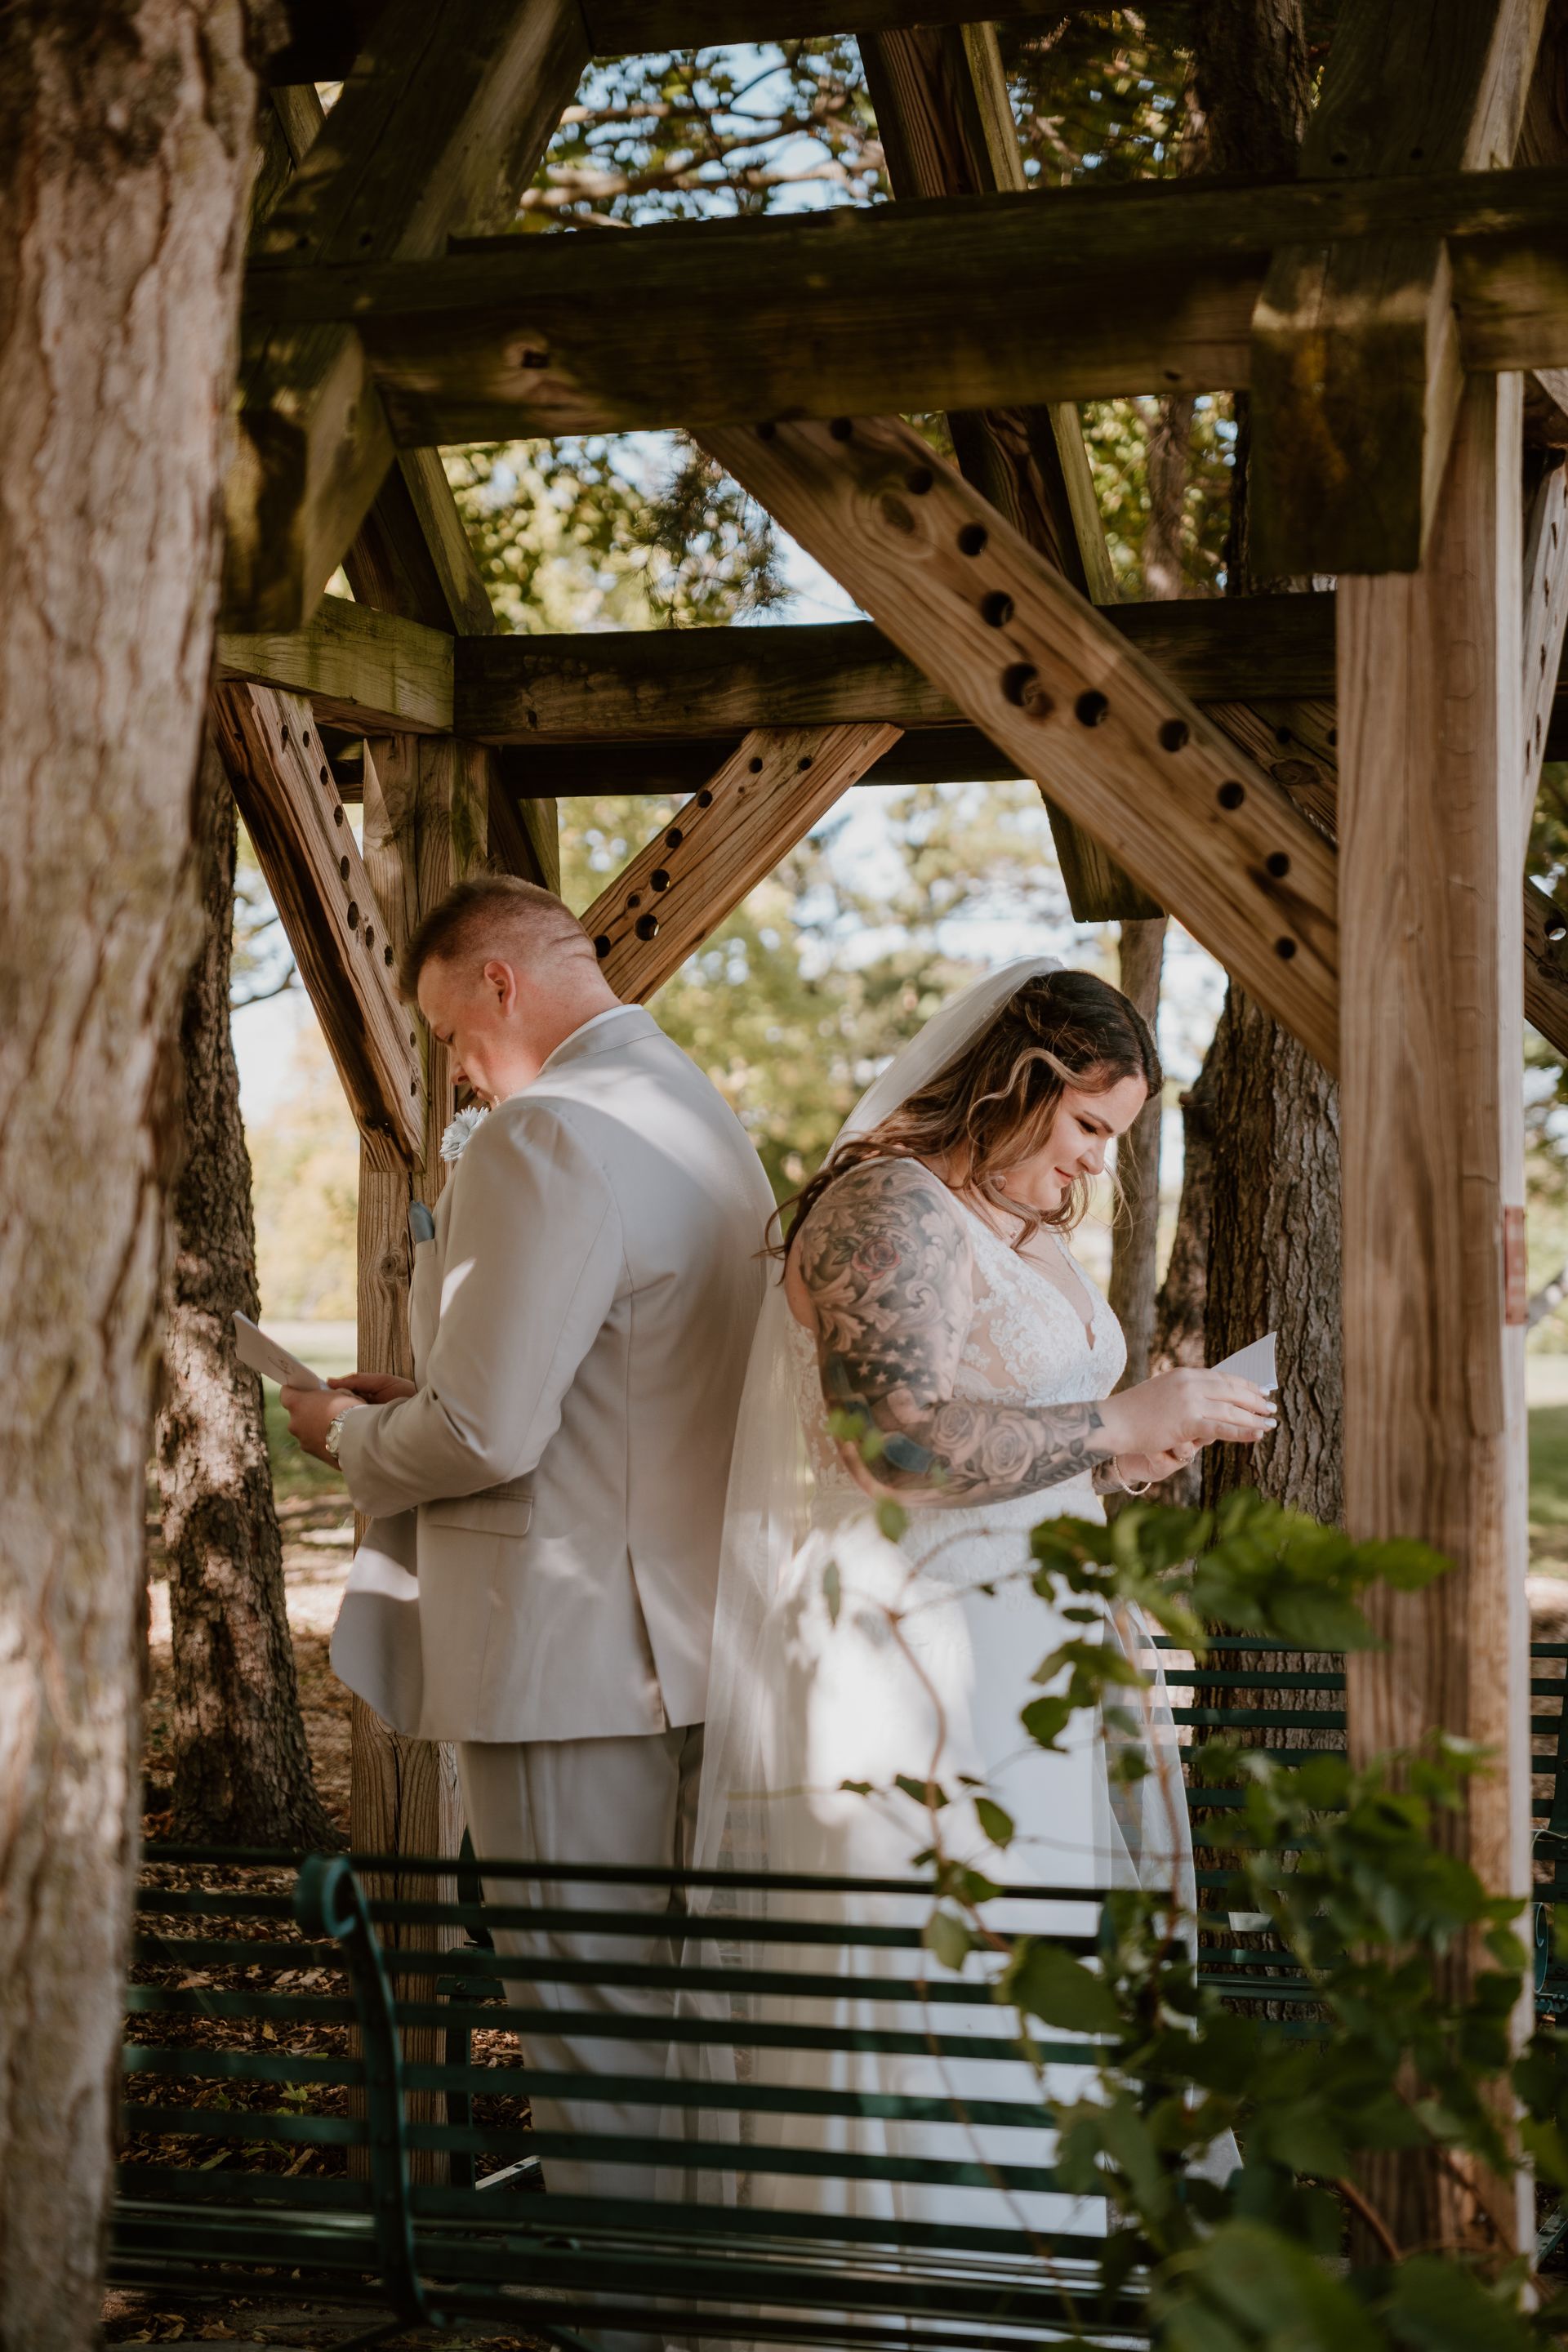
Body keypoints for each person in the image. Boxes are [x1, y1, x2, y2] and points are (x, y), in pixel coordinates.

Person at [692, 955, 1272, 2239]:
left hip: (1025, 1653)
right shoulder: (886, 1209)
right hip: (904, 1664)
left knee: (1041, 1973)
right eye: (1083, 1128)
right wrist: (1117, 1413)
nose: (1090, 1167)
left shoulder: (1008, 1226)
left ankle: (1036, 2273)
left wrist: (1120, 1453)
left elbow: (1017, 1435)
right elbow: (890, 1444)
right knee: (931, 1977)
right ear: (1016, 1081)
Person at [279, 874, 776, 2218]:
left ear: (501, 983)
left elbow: (492, 1438)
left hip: (567, 1660)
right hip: (692, 1636)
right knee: (682, 2013)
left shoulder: (545, 1134)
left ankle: (626, 2314)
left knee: (590, 2021)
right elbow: (622, 1381)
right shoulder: (701, 1114)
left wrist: (345, 1439)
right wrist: (427, 1404)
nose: (455, 1069)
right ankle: (702, 2297)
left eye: (448, 1033)